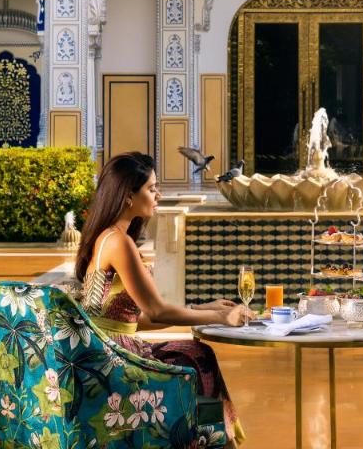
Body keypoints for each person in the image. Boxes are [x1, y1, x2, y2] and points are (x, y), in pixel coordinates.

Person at [76, 151, 250, 444]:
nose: (158, 194)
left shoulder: (106, 236)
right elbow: (156, 311)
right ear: (128, 196)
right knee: (200, 356)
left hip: (105, 351)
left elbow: (134, 321)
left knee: (196, 354)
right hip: (114, 364)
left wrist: (200, 307)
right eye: (151, 188)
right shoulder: (119, 243)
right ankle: (210, 440)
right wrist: (220, 316)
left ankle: (209, 438)